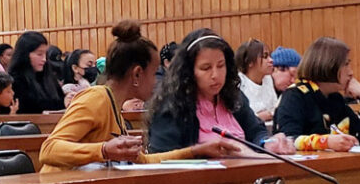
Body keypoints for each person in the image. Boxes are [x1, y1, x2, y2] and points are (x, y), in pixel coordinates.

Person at [39, 20, 241, 172]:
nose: (157, 82)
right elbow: (48, 150)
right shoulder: (96, 98)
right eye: (154, 73)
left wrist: (196, 151)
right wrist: (103, 150)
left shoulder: (114, 107)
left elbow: (143, 162)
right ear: (137, 74)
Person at [148, 28, 294, 155]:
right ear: (188, 71)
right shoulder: (171, 106)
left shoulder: (233, 97)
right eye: (206, 68)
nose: (215, 75)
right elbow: (164, 157)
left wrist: (267, 142)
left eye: (221, 65)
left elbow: (256, 131)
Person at [273, 37, 360, 151]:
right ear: (329, 65)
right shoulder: (294, 96)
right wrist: (325, 142)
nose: (351, 73)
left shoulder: (335, 98)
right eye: (346, 64)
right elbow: (289, 140)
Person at [8, 31, 65, 113]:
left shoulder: (48, 76)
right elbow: (29, 108)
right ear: (25, 55)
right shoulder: (14, 80)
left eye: (45, 54)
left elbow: (59, 102)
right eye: (39, 54)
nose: (44, 59)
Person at [235, 38, 278, 121]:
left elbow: (275, 109)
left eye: (270, 56)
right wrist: (257, 117)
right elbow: (236, 119)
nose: (271, 60)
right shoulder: (238, 83)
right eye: (265, 56)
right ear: (249, 62)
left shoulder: (268, 79)